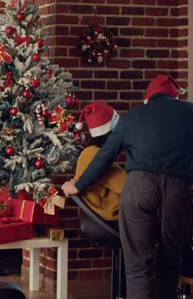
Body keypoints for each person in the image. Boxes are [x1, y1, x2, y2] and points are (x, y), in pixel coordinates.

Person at [62, 74, 193, 299]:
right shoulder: (190, 112)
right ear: (175, 96)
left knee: (137, 267)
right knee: (170, 261)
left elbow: (104, 156)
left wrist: (79, 184)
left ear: (147, 98)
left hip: (138, 189)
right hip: (176, 190)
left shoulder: (131, 117)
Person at [72, 101, 126, 221]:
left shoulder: (90, 151)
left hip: (106, 213)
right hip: (113, 215)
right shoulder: (94, 155)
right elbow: (128, 187)